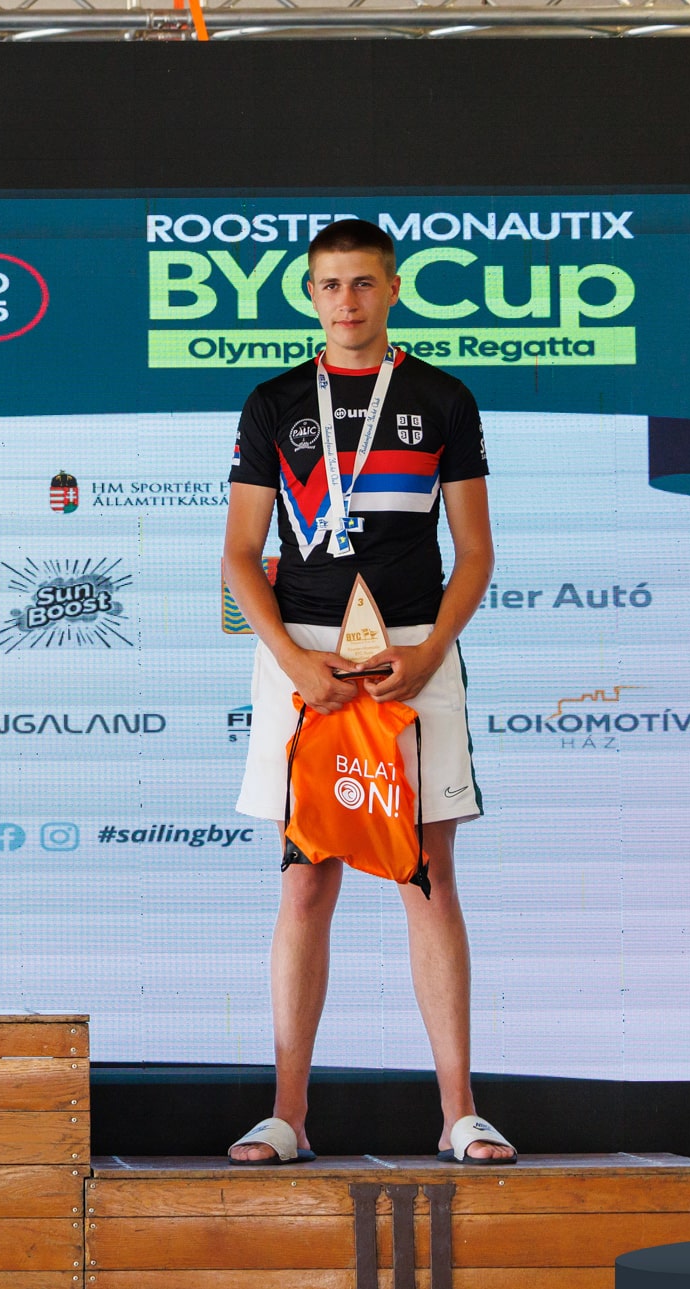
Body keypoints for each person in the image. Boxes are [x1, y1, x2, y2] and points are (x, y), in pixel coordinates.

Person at [220, 218, 515, 1165]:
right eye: (329, 285)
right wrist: (294, 662)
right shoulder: (274, 403)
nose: (345, 301)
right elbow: (239, 556)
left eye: (362, 283)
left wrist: (431, 653)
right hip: (305, 662)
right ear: (310, 295)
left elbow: (476, 553)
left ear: (393, 289)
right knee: (305, 880)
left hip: (414, 653)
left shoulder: (442, 397)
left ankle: (459, 1113)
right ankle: (289, 1115)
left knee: (428, 878)